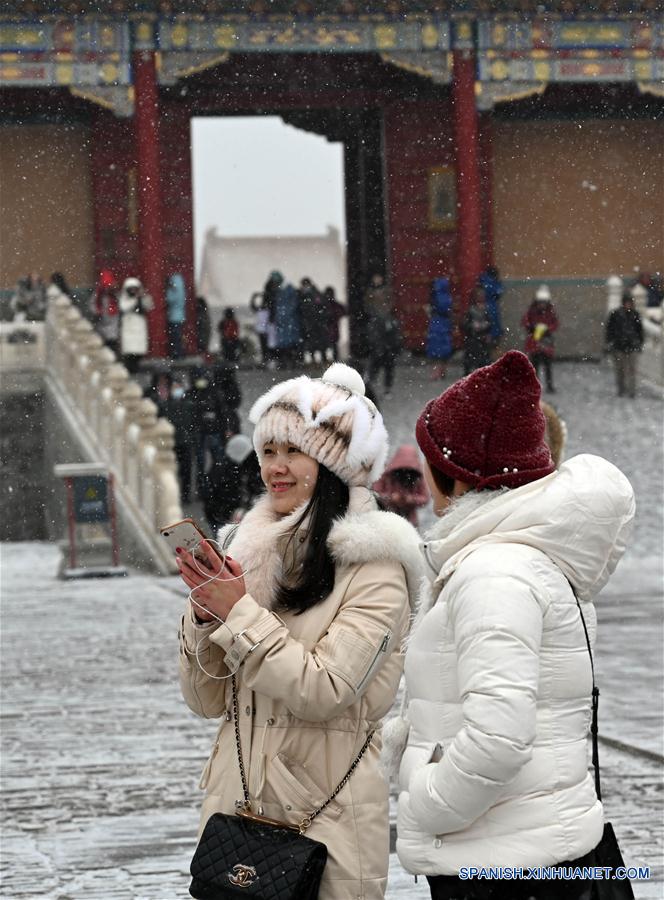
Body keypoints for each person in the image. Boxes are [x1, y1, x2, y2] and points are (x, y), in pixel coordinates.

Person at [176, 363, 423, 900]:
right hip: (236, 816)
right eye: (268, 452)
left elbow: (325, 690)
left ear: (333, 464)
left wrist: (238, 613)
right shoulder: (246, 550)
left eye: (294, 452)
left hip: (326, 823)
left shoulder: (375, 565)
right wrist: (204, 617)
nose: (276, 469)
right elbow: (205, 699)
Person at [394, 350, 635, 900]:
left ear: (452, 475)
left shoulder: (494, 573)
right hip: (530, 849)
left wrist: (425, 800)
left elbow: (498, 738)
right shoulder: (520, 559)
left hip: (502, 866)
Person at [202, 433, 254, 531]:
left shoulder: (227, 467)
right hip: (221, 517)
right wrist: (232, 513)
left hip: (223, 514)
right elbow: (214, 499)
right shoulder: (224, 473)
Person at [159, 375, 195, 504]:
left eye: (178, 387)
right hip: (172, 443)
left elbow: (194, 424)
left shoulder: (189, 404)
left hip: (185, 442)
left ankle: (185, 495)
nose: (177, 390)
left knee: (186, 471)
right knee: (173, 471)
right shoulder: (166, 405)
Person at [372, 445, 429, 526]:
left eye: (409, 469)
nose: (405, 472)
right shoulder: (386, 475)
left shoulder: (417, 477)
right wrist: (391, 498)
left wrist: (411, 499)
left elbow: (425, 498)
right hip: (388, 518)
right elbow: (375, 494)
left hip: (408, 520)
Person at [605, 291, 644, 398]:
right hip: (619, 346)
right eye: (626, 302)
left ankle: (632, 390)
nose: (628, 305)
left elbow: (640, 331)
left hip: (632, 346)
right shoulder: (615, 314)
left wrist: (639, 343)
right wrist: (610, 342)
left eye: (630, 303)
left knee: (632, 370)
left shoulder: (635, 315)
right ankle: (621, 389)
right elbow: (610, 330)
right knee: (620, 370)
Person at [522, 284, 559, 393]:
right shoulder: (531, 311)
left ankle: (549, 385)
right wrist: (532, 328)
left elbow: (555, 323)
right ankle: (535, 385)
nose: (542, 304)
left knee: (547, 365)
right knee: (535, 366)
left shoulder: (550, 311)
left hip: (545, 341)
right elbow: (525, 321)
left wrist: (547, 329)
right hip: (535, 342)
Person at [118, 276, 153, 374]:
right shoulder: (124, 299)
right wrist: (136, 299)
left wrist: (143, 296)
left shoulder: (142, 298)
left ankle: (135, 369)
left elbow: (149, 305)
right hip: (129, 328)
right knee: (129, 355)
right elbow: (124, 307)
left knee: (138, 354)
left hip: (139, 329)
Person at [425, 277, 454, 380]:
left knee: (436, 350)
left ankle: (436, 372)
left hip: (437, 323)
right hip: (444, 324)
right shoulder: (447, 296)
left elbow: (439, 309)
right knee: (444, 350)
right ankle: (442, 371)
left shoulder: (437, 296)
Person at [461, 287, 492, 374]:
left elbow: (490, 323)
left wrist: (486, 326)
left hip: (482, 338)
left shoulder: (486, 310)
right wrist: (472, 326)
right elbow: (464, 324)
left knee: (483, 359)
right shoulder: (471, 310)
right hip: (473, 338)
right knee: (471, 358)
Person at [91, 269, 120, 355]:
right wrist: (98, 313)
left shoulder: (115, 296)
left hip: (113, 328)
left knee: (112, 348)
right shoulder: (99, 296)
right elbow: (93, 306)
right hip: (102, 326)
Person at [477, 266, 504, 354]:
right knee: (494, 339)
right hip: (492, 310)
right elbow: (498, 293)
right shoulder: (495, 283)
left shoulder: (482, 281)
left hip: (483, 317)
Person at [165, 272, 187, 359]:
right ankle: (180, 353)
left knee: (175, 337)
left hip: (174, 316)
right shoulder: (181, 288)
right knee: (179, 336)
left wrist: (168, 290)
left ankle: (176, 354)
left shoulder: (174, 290)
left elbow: (170, 299)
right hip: (180, 315)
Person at [323, 286, 346, 361]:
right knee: (332, 345)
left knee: (331, 345)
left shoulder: (327, 304)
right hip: (331, 327)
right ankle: (333, 360)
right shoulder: (333, 304)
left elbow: (343, 311)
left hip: (331, 327)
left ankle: (331, 360)